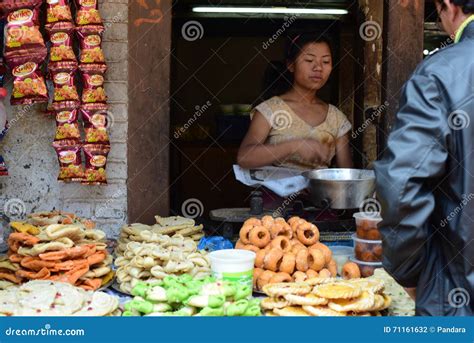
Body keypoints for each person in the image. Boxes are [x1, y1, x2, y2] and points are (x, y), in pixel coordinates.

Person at [374, 0, 474, 316]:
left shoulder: (440, 74)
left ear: (447, 4)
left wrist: (410, 273)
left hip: (456, 295)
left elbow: (401, 184)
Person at [237, 33, 353, 171]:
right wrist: (294, 146)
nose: (318, 68)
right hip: (277, 192)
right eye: (309, 60)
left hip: (320, 192)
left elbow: (346, 175)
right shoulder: (271, 110)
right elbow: (244, 158)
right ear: (291, 65)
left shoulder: (336, 118)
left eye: (326, 62)